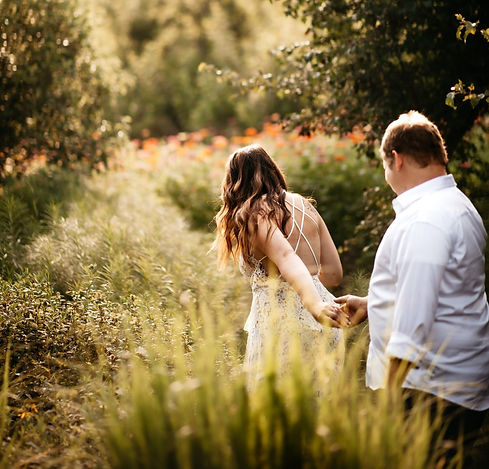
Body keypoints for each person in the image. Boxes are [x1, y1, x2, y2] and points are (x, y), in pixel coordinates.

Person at [336, 111, 489, 465]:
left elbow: (414, 323)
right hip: (455, 383)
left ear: (397, 158)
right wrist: (372, 302)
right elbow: (445, 289)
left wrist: (389, 404)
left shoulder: (426, 220)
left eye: (384, 165)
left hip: (428, 392)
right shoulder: (457, 206)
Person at [214, 144, 345, 387]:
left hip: (283, 325)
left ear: (234, 182)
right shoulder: (305, 206)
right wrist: (314, 299)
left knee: (276, 411)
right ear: (272, 169)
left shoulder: (253, 213)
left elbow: (286, 257)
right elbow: (334, 273)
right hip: (327, 320)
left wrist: (313, 305)